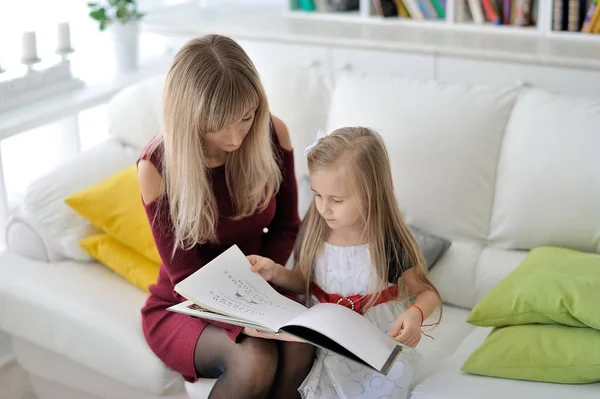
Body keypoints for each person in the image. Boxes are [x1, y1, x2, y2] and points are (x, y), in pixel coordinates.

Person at [137, 34, 314, 399]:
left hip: (258, 290)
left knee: (301, 344)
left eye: (246, 118)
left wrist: (261, 287)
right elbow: (185, 274)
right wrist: (244, 319)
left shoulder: (272, 133)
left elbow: (286, 227)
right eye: (218, 125)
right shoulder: (156, 166)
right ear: (190, 118)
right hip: (184, 303)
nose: (236, 137)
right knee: (254, 360)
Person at [248, 127, 443, 399]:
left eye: (336, 200)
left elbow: (426, 292)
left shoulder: (389, 241)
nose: (323, 208)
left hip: (372, 346)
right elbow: (305, 281)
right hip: (320, 341)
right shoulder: (316, 228)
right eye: (317, 195)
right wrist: (276, 273)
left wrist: (415, 314)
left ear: (370, 193)